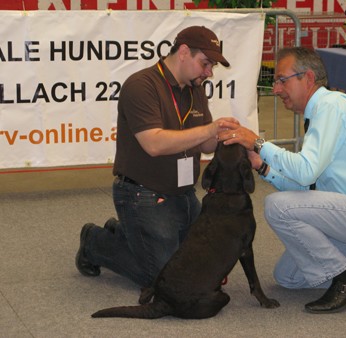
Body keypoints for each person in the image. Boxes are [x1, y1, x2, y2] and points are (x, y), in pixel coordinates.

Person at [218, 47, 346, 313]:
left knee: (278, 206)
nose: (276, 90)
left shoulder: (330, 106)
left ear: (308, 78)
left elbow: (305, 172)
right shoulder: (320, 113)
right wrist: (263, 166)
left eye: (281, 80)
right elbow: (307, 187)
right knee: (287, 278)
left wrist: (258, 142)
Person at [75, 26, 238, 288]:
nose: (209, 72)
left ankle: (127, 234)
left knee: (209, 268)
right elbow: (153, 143)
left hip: (184, 193)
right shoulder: (142, 85)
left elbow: (206, 144)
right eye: (205, 63)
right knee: (167, 281)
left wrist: (222, 134)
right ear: (184, 52)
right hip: (143, 193)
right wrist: (208, 129)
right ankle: (95, 242)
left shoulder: (195, 87)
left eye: (211, 67)